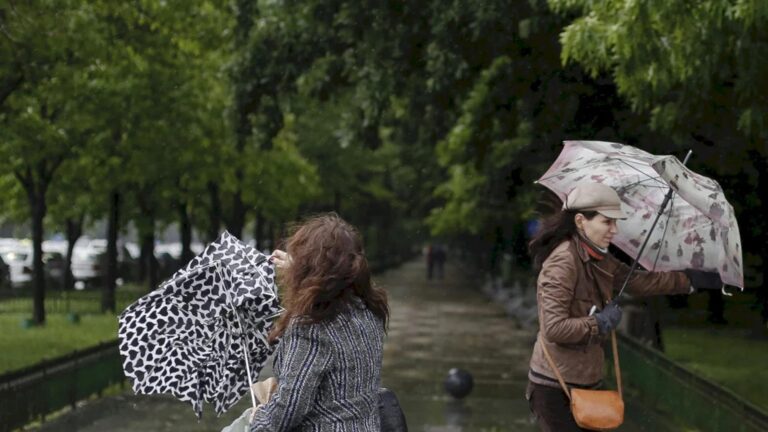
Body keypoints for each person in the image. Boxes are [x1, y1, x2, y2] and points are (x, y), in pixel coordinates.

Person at [525, 183, 722, 431]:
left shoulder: (600, 259)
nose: (614, 230)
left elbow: (639, 281)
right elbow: (554, 328)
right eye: (607, 222)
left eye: (615, 222)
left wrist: (691, 280)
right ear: (580, 221)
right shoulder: (563, 263)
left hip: (587, 382)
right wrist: (599, 323)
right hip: (555, 387)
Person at [247, 213, 390, 431]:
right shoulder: (368, 310)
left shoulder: (311, 326)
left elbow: (287, 411)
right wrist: (303, 270)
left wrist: (257, 420)